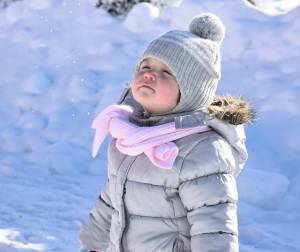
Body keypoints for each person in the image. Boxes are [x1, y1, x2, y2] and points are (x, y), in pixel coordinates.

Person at [79, 13, 255, 252]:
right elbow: (112, 198)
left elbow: (214, 228)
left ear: (191, 91)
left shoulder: (203, 149)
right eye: (146, 66)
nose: (150, 74)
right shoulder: (130, 134)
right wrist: (93, 244)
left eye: (167, 72)